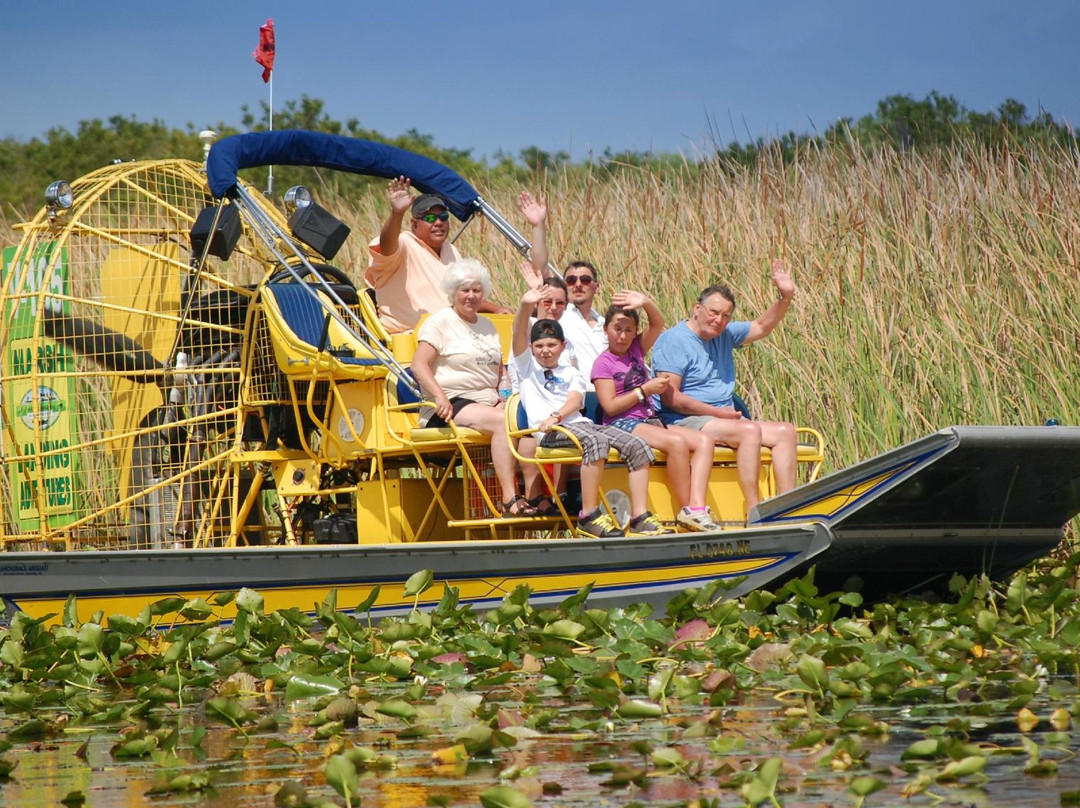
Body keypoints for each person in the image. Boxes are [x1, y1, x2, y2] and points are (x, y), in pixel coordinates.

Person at [512, 287, 672, 538]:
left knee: (636, 444)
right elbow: (517, 337)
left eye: (552, 345)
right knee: (596, 441)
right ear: (532, 348)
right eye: (540, 345)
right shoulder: (527, 369)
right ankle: (589, 514)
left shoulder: (572, 373)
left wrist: (560, 414)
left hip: (576, 423)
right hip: (550, 430)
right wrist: (524, 305)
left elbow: (576, 401)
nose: (545, 350)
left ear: (563, 346)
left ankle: (640, 515)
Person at [652, 260, 799, 514]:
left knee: (786, 431)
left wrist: (785, 297)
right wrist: (720, 413)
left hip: (723, 419)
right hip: (684, 420)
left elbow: (761, 326)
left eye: (725, 316)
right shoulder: (674, 340)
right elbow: (671, 399)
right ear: (697, 308)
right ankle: (756, 512)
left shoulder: (726, 334)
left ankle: (789, 508)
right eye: (713, 312)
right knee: (749, 431)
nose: (719, 320)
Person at [411, 259, 533, 516]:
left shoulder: (488, 325)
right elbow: (419, 365)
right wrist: (439, 396)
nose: (471, 296)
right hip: (450, 403)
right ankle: (510, 498)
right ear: (453, 292)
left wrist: (505, 398)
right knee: (503, 423)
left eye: (476, 290)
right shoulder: (439, 322)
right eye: (465, 290)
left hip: (487, 401)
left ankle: (536, 495)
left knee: (526, 419)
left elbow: (499, 372)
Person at [591, 291, 721, 532]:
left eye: (629, 330)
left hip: (648, 420)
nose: (622, 336)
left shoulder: (636, 351)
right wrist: (645, 390)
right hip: (621, 422)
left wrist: (646, 302)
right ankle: (687, 510)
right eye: (617, 329)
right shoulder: (603, 363)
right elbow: (610, 406)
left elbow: (658, 323)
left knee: (704, 440)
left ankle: (697, 506)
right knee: (677, 443)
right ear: (606, 329)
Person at [366, 177, 506, 333]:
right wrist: (397, 214)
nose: (439, 222)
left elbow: (464, 298)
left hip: (453, 335)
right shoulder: (404, 243)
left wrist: (496, 309)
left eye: (443, 217)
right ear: (414, 224)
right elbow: (387, 246)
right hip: (409, 338)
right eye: (430, 218)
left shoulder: (451, 250)